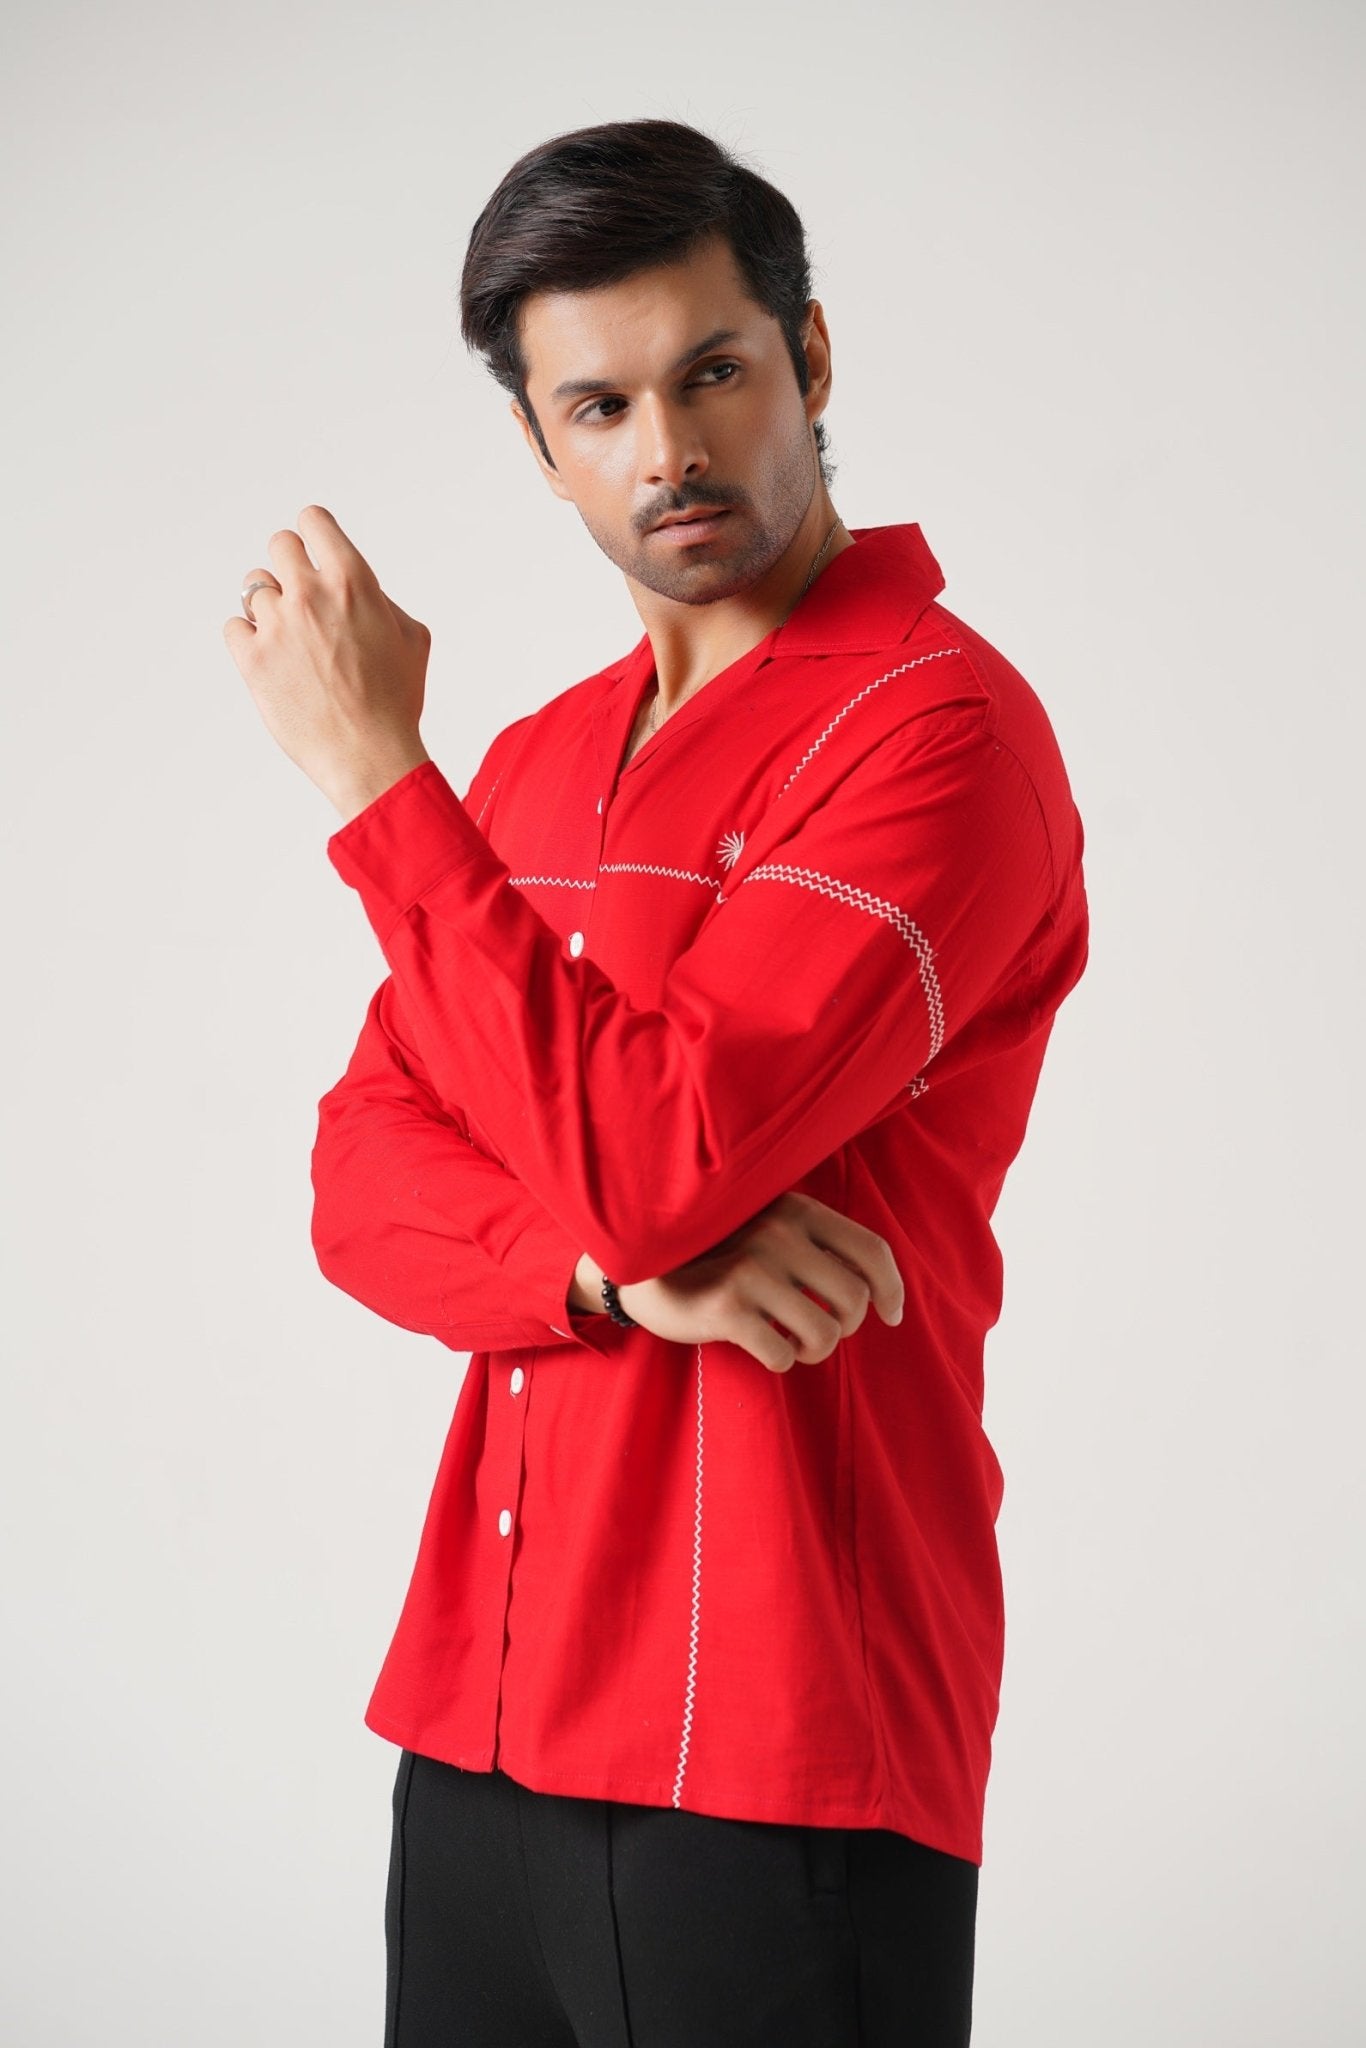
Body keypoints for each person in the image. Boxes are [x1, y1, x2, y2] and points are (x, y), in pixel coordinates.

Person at [237, 116, 1090, 2047]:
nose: (669, 452)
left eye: (711, 371)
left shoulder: (938, 736)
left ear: (808, 357)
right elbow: (361, 1186)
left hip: (780, 1729)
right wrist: (618, 1275)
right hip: (484, 1708)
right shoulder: (535, 768)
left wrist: (382, 783)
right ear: (542, 448)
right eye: (600, 404)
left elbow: (645, 1158)